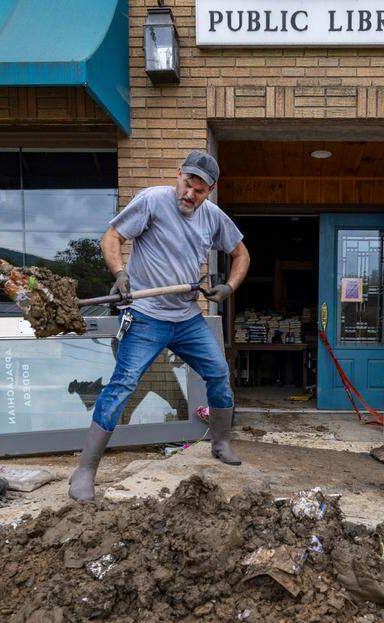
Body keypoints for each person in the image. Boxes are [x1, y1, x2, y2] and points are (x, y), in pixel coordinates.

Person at [68, 150, 250, 502]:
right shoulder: (152, 201)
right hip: (145, 315)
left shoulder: (213, 217)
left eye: (199, 190)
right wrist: (120, 274)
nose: (189, 194)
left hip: (186, 318)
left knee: (218, 372)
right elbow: (111, 238)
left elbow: (241, 254)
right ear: (178, 173)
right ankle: (85, 470)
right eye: (186, 183)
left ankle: (221, 441)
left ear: (209, 191)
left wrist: (229, 287)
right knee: (123, 384)